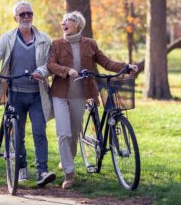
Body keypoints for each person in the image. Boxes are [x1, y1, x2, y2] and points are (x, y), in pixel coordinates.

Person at [47, 11, 138, 189]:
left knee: (74, 133)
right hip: (60, 93)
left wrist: (125, 67)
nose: (63, 23)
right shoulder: (56, 44)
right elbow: (50, 65)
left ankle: (67, 159)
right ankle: (69, 173)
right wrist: (67, 70)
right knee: (63, 133)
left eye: (68, 20)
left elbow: (106, 63)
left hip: (81, 94)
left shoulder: (90, 44)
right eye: (62, 21)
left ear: (78, 24)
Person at [0, 0, 56, 186]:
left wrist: (42, 72)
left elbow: (50, 63)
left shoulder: (44, 39)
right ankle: (21, 167)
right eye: (22, 14)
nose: (26, 17)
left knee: (39, 132)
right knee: (16, 133)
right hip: (15, 93)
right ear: (15, 18)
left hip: (37, 95)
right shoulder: (7, 38)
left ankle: (42, 171)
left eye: (29, 13)